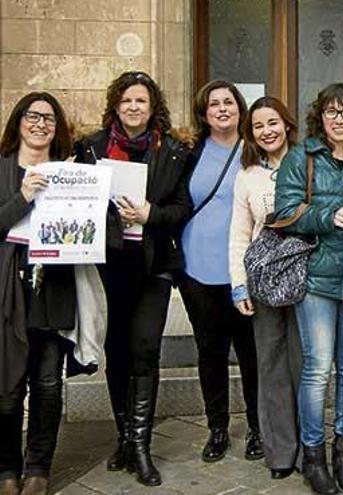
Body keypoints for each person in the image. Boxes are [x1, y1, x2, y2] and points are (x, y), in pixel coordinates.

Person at [75, 71, 192, 487]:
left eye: (141, 101)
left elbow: (181, 209)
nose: (133, 108)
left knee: (145, 349)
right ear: (115, 105)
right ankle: (123, 438)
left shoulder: (174, 151)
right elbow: (78, 201)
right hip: (108, 265)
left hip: (154, 264)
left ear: (152, 105)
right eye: (126, 101)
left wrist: (149, 215)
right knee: (116, 350)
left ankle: (141, 446)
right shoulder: (91, 148)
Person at [274, 82, 343, 495]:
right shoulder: (302, 157)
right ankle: (313, 456)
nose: (339, 119)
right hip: (316, 278)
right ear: (320, 117)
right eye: (332, 112)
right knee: (317, 368)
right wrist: (327, 215)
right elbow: (284, 213)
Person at [179, 80, 262, 464]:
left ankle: (258, 429)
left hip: (245, 272)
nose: (222, 109)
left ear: (240, 109)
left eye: (229, 102)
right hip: (198, 270)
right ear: (205, 112)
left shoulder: (257, 150)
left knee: (251, 353)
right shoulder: (190, 153)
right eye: (214, 104)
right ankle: (217, 428)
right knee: (210, 353)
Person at [0, 93, 77, 495]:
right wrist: (23, 196)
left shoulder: (71, 172)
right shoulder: (2, 170)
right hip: (9, 296)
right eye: (32, 116)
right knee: (7, 390)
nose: (40, 124)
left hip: (54, 292)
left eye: (49, 118)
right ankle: (6, 469)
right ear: (18, 123)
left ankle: (38, 469)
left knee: (48, 385)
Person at [228, 96, 302, 480]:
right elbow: (239, 234)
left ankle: (310, 448)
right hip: (265, 281)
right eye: (258, 126)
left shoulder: (308, 163)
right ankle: (280, 452)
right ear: (251, 133)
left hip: (307, 277)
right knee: (271, 364)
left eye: (272, 123)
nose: (267, 131)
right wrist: (239, 287)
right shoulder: (247, 176)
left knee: (305, 365)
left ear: (286, 125)